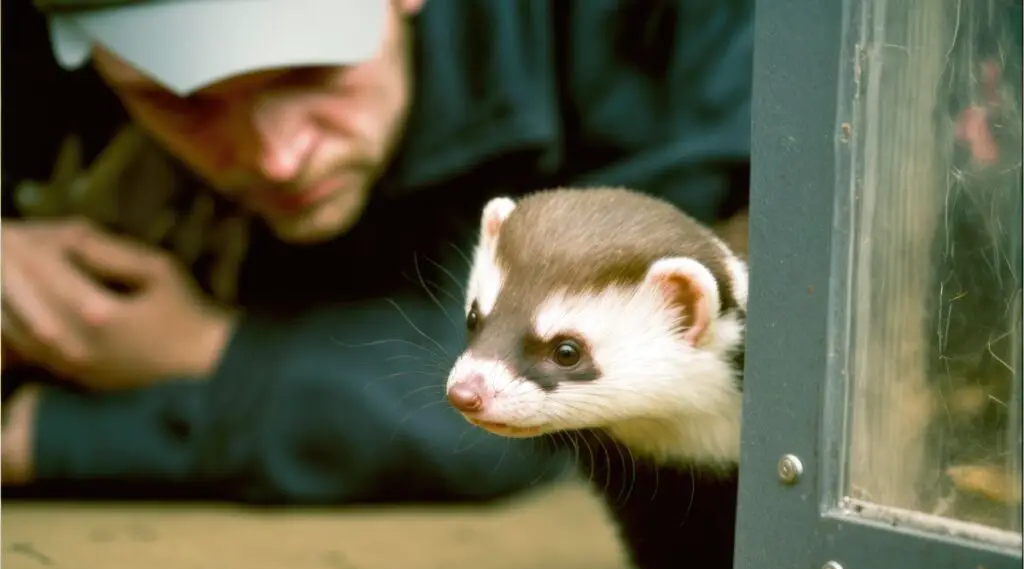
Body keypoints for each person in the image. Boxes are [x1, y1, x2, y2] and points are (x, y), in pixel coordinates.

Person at [0, 0, 754, 505]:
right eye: (179, 99)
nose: (276, 157)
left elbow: (564, 413)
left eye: (309, 73)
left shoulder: (679, 33)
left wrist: (199, 356)